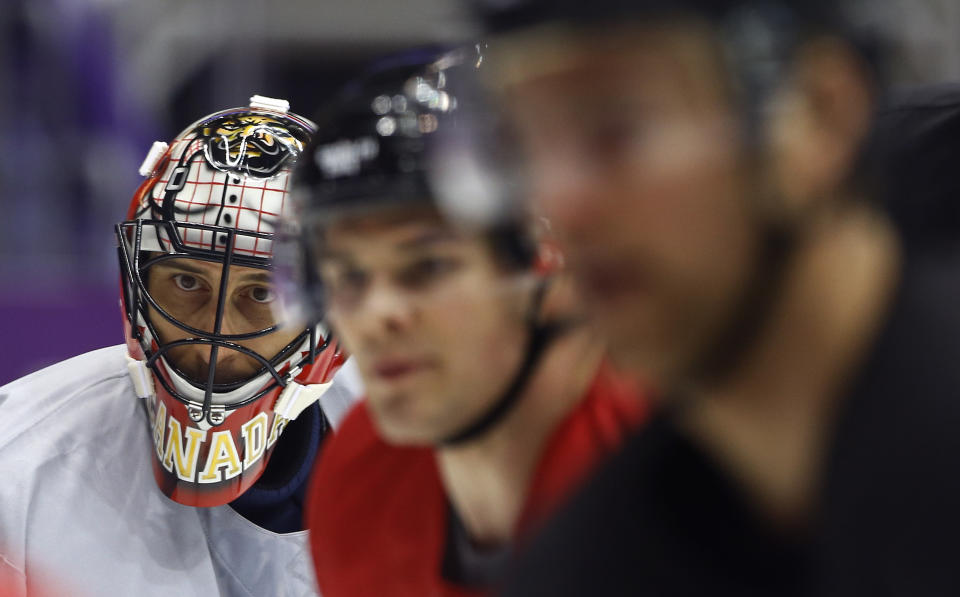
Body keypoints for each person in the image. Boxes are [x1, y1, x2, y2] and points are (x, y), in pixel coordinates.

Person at [464, 1, 960, 594]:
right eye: (520, 147)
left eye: (618, 129)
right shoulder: (592, 560)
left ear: (821, 116)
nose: (558, 203)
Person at [283, 49, 646, 597]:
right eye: (349, 278)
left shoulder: (691, 458)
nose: (377, 316)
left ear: (550, 266)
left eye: (426, 268)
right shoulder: (358, 481)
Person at [0, 96, 360, 597]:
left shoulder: (435, 455)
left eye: (261, 294)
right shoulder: (14, 470)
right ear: (136, 280)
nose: (214, 341)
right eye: (186, 284)